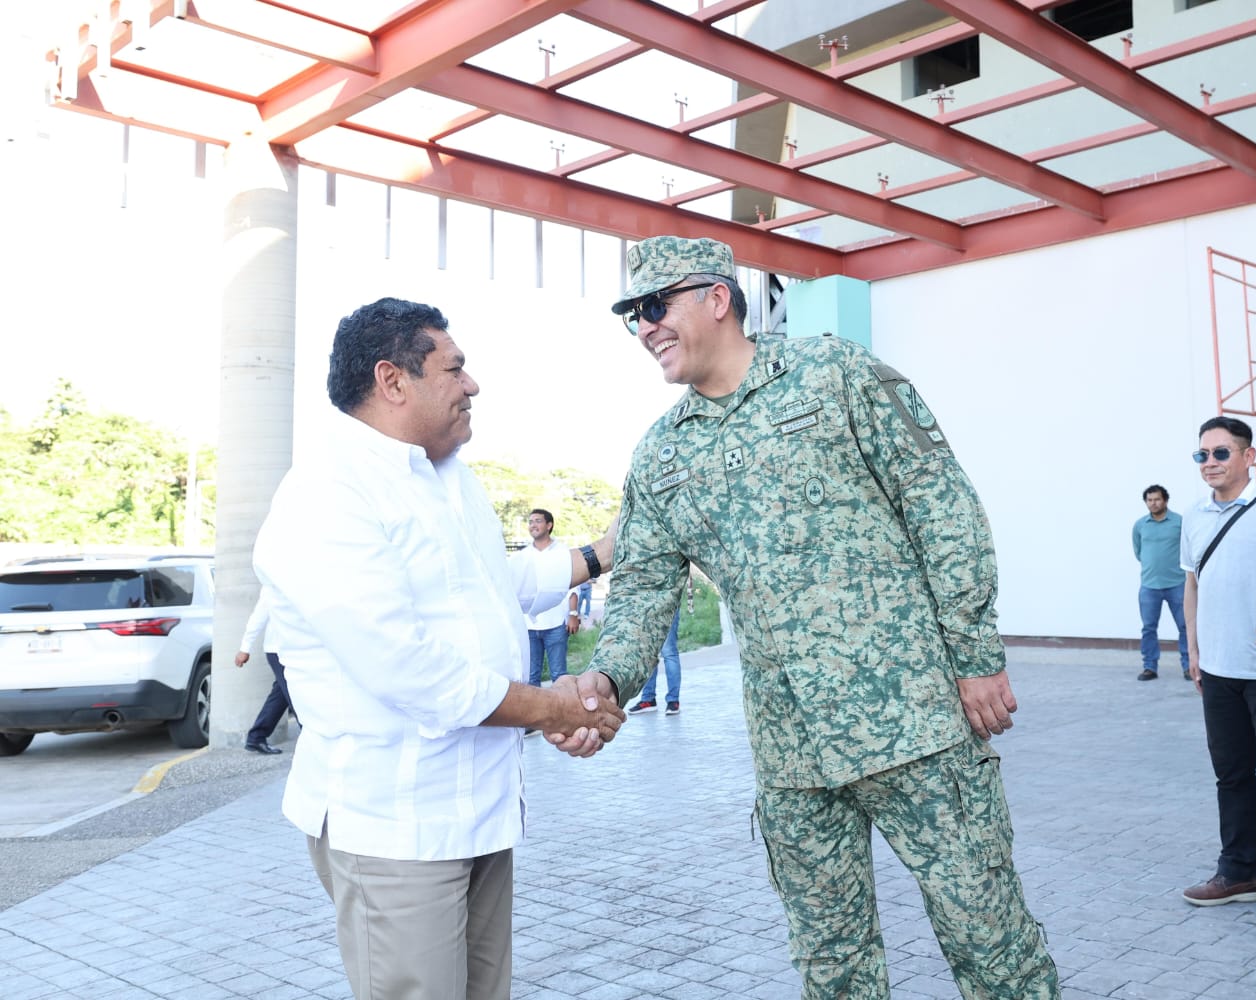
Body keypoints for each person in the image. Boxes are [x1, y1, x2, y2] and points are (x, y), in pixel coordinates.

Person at [587, 235, 1059, 998]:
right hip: (792, 758)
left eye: (655, 305)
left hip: (915, 725)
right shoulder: (661, 457)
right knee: (832, 966)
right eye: (632, 316)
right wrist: (607, 680)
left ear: (717, 296)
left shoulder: (831, 373)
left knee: (991, 943)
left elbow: (940, 504)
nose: (644, 327)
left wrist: (974, 655)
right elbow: (642, 588)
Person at [252, 297, 624, 1000]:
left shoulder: (449, 480)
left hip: (477, 813)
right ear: (393, 381)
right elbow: (405, 666)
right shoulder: (328, 494)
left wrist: (602, 553)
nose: (472, 385)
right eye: (454, 369)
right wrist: (552, 708)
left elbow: (492, 582)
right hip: (397, 825)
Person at [1179, 416, 1256, 926]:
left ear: (1248, 456)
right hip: (1217, 672)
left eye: (1221, 453)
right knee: (1231, 775)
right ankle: (1239, 871)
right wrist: (1194, 652)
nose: (1210, 463)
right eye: (1202, 455)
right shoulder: (1194, 516)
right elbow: (1193, 585)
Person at [1132, 484, 1190, 681]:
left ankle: (1189, 666)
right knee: (1149, 628)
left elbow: (1188, 549)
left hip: (1177, 584)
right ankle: (1150, 667)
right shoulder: (1140, 525)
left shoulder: (1179, 522)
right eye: (1149, 500)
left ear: (1165, 500)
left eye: (1157, 499)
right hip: (1149, 586)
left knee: (1185, 627)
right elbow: (1138, 551)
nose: (1153, 503)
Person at [509, 509, 574, 686]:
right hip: (528, 626)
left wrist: (573, 614)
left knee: (559, 675)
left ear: (549, 525)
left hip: (555, 624)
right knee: (531, 676)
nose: (533, 525)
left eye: (537, 521)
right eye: (530, 522)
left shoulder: (562, 552)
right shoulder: (521, 556)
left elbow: (572, 585)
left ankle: (563, 713)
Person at [235, 589, 294, 754]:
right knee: (297, 696)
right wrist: (244, 648)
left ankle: (256, 737)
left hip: (293, 649)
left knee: (280, 696)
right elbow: (258, 617)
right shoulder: (272, 585)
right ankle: (315, 743)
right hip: (278, 650)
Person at [628, 607, 681, 715]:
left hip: (668, 601)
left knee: (669, 652)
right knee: (647, 652)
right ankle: (648, 699)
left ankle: (673, 701)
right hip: (647, 603)